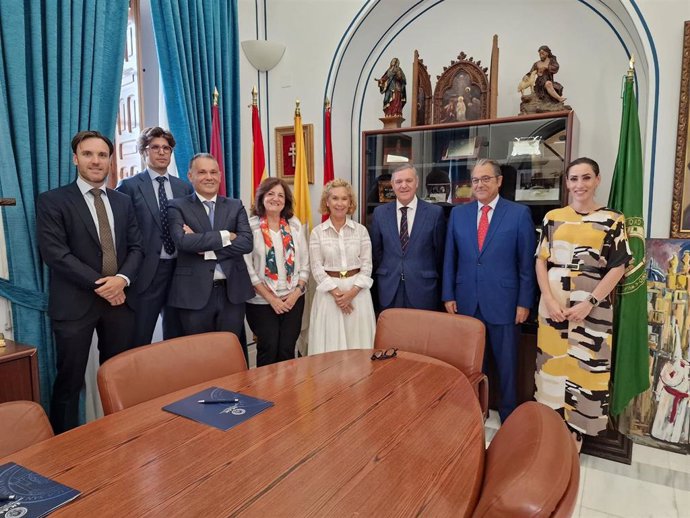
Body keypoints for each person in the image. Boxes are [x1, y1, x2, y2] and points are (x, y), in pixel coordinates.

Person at [36, 130, 143, 433]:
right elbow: (56, 254)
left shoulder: (123, 201)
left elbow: (137, 247)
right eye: (88, 154)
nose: (95, 161)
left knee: (118, 375)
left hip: (120, 303)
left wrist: (121, 280)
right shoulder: (52, 201)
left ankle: (119, 437)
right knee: (69, 381)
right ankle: (64, 451)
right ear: (75, 159)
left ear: (110, 160)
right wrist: (104, 286)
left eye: (102, 155)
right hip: (74, 304)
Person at [534, 157, 631, 447]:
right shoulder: (554, 217)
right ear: (567, 183)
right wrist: (548, 299)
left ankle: (576, 431)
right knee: (552, 365)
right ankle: (552, 425)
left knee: (585, 367)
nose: (580, 185)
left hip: (591, 307)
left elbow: (619, 266)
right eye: (574, 179)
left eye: (586, 178)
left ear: (597, 180)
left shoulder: (613, 219)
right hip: (554, 306)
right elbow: (541, 261)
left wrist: (590, 301)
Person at [442, 159, 536, 422]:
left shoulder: (518, 214)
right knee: (471, 365)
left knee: (507, 365)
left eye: (485, 179)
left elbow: (525, 263)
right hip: (466, 301)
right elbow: (450, 258)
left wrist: (524, 302)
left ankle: (508, 416)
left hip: (505, 303)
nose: (479, 185)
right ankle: (474, 412)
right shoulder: (458, 214)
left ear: (499, 181)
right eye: (475, 180)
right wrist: (448, 294)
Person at [166, 153, 254, 356]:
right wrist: (226, 235)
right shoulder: (176, 206)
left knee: (229, 353)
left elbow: (246, 243)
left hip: (232, 293)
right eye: (202, 172)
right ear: (190, 175)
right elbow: (182, 241)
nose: (209, 177)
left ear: (220, 176)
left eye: (213, 172)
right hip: (193, 294)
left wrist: (203, 247)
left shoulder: (234, 205)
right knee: (199, 356)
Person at [116, 127, 193, 347]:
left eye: (166, 148)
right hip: (146, 274)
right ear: (144, 152)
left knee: (177, 339)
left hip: (180, 272)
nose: (161, 152)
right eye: (155, 147)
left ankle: (176, 381)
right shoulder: (129, 187)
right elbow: (121, 234)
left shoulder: (183, 187)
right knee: (139, 339)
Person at [244, 178, 309, 366]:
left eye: (280, 195)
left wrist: (296, 294)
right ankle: (264, 394)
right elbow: (248, 269)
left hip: (293, 299)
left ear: (286, 200)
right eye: (270, 194)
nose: (276, 198)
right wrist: (272, 299)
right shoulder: (250, 226)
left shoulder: (294, 225)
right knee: (269, 347)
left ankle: (288, 394)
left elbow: (305, 263)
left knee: (287, 348)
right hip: (261, 301)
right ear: (262, 197)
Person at [308, 179, 376, 354]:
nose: (340, 203)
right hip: (329, 297)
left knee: (358, 345)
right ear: (327, 202)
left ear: (350, 202)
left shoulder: (361, 231)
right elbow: (316, 268)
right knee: (330, 348)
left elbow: (367, 265)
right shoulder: (317, 233)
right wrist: (339, 296)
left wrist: (351, 294)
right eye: (335, 198)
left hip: (358, 295)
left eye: (344, 199)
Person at [370, 164, 446, 311]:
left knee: (422, 333)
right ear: (392, 185)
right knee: (393, 332)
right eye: (398, 182)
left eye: (408, 180)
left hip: (423, 288)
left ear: (417, 183)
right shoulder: (380, 214)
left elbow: (439, 254)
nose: (403, 185)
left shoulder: (434, 213)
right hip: (389, 287)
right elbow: (377, 252)